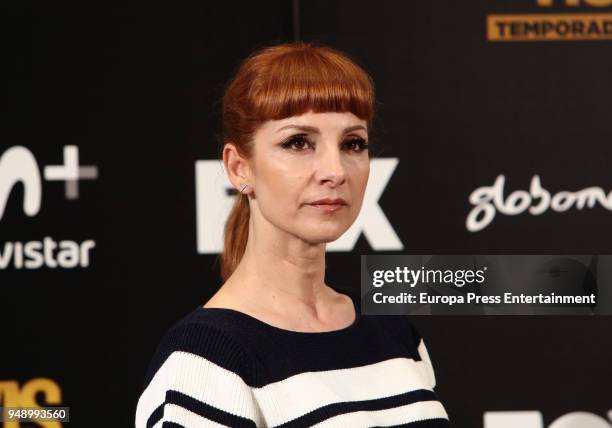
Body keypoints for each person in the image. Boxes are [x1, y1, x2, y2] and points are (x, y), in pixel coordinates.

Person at [135, 41, 449, 427]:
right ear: (239, 168)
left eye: (353, 143)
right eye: (298, 142)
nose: (335, 170)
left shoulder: (393, 330)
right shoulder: (204, 361)